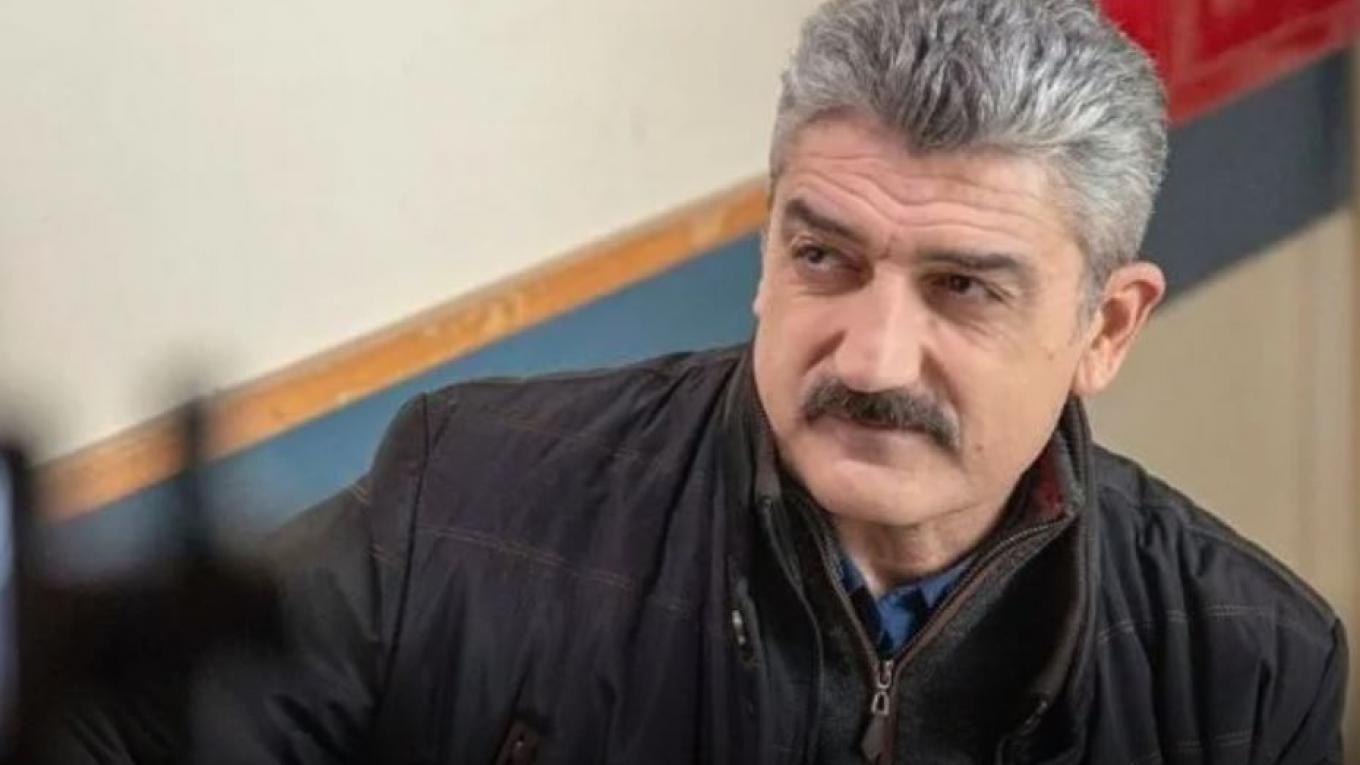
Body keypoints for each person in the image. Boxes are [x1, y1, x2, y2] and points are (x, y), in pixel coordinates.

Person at [51, 0, 1347, 762]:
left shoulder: (1247, 669)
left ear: (1105, 326)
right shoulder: (460, 507)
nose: (871, 357)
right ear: (767, 250)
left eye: (964, 287)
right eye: (825, 257)